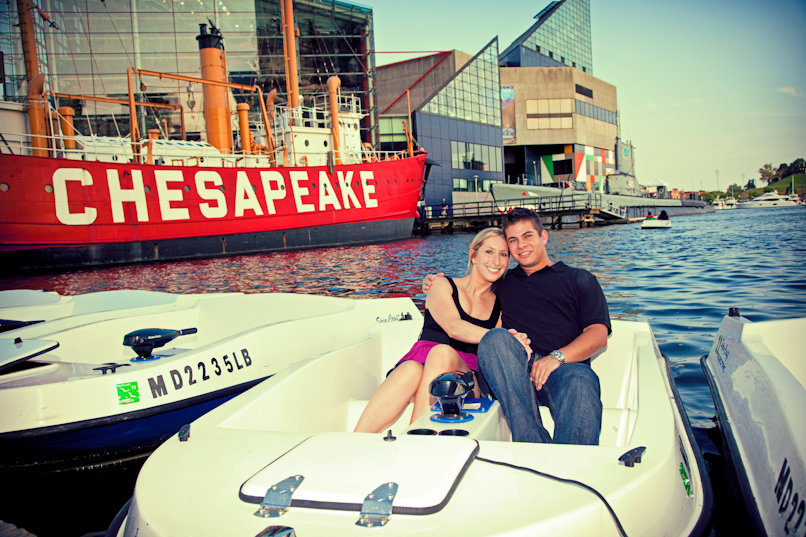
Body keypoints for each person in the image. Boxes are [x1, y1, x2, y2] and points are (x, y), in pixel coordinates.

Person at [423, 208, 610, 445]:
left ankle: (571, 467)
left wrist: (556, 358)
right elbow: (469, 290)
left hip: (563, 369)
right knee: (495, 338)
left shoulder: (579, 279)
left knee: (581, 380)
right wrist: (434, 280)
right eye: (513, 240)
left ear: (543, 237)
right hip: (510, 369)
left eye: (527, 236)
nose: (521, 245)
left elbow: (598, 335)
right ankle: (533, 446)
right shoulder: (502, 282)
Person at [354, 228, 529, 434]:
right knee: (411, 369)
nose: (497, 261)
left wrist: (513, 341)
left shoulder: (499, 305)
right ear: (473, 255)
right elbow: (453, 327)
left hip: (464, 382)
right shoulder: (440, 284)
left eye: (503, 254)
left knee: (441, 353)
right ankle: (355, 442)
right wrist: (503, 337)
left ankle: (415, 439)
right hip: (418, 371)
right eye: (489, 252)